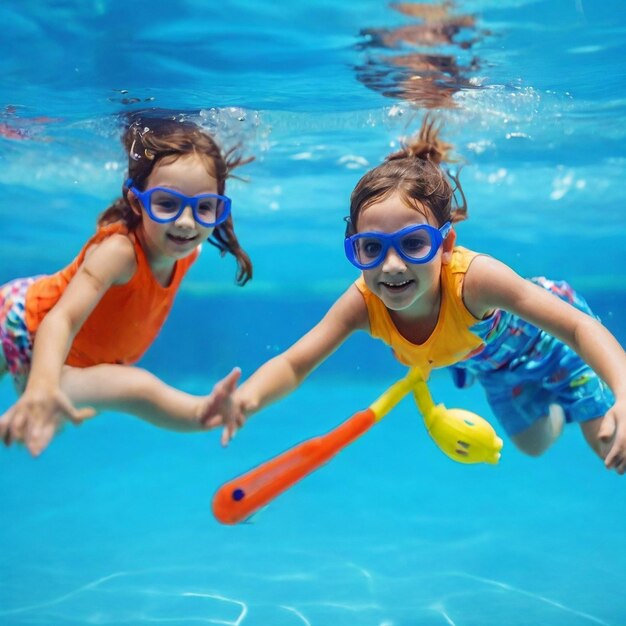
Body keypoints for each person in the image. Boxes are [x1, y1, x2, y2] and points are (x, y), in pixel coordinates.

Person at [208, 116, 626, 475]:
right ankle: (557, 401)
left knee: (612, 445)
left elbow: (575, 326)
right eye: (371, 248)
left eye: (413, 245)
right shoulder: (363, 303)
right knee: (533, 445)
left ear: (445, 246)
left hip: (555, 347)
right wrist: (247, 398)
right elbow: (294, 364)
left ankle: (582, 394)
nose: (391, 266)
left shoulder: (475, 281)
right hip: (492, 366)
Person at [0, 114, 252, 456]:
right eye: (167, 203)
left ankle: (204, 413)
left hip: (74, 360)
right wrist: (42, 385)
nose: (186, 222)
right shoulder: (119, 252)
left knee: (116, 393)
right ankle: (199, 411)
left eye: (204, 207)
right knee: (133, 387)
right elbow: (60, 320)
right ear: (138, 202)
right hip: (21, 322)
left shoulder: (187, 252)